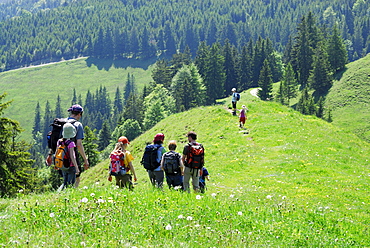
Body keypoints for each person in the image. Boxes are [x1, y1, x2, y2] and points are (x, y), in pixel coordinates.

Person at [66, 104, 89, 187]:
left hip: (60, 155)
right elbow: (79, 145)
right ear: (79, 114)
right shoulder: (78, 125)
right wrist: (85, 160)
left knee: (65, 179)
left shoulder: (63, 122)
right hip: (72, 156)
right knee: (76, 179)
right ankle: (71, 197)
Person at [58, 122, 80, 189]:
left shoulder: (59, 141)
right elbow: (72, 156)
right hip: (71, 166)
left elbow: (57, 152)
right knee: (70, 183)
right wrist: (76, 167)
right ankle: (67, 195)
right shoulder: (71, 143)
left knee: (65, 182)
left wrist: (57, 164)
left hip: (62, 165)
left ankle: (62, 194)